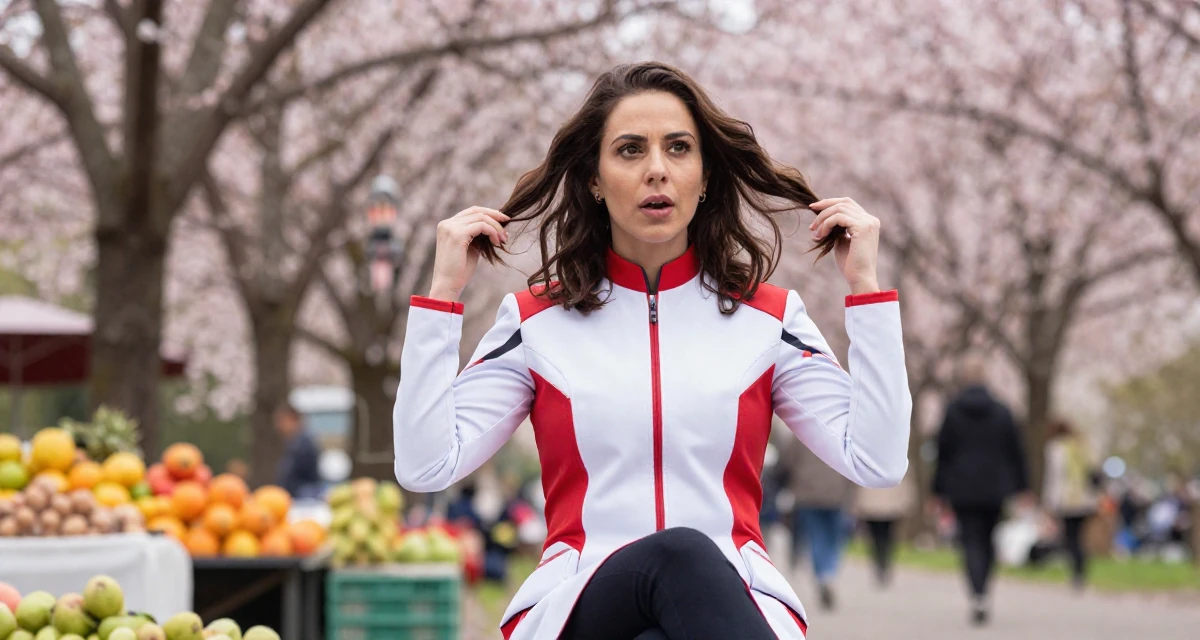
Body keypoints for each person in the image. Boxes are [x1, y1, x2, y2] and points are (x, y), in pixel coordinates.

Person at [394, 62, 912, 640]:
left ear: (706, 174)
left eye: (679, 148)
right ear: (594, 178)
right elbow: (425, 465)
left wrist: (867, 291)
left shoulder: (770, 319)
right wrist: (441, 298)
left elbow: (877, 460)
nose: (657, 170)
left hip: (734, 603)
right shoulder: (535, 322)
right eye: (631, 150)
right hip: (577, 606)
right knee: (679, 556)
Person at [932, 357, 1030, 626]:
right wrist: (1023, 486)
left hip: (961, 487)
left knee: (970, 541)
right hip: (995, 487)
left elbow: (943, 453)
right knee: (988, 540)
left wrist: (938, 490)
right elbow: (1016, 452)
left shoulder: (952, 411)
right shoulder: (1002, 411)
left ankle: (977, 592)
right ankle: (984, 590)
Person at [783, 436, 855, 611]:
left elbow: (787, 462)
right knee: (835, 538)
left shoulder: (800, 432)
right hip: (837, 492)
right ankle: (829, 572)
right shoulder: (842, 433)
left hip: (807, 492)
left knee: (816, 537)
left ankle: (822, 575)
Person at [1041, 418, 1098, 590]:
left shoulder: (1056, 448)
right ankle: (1081, 571)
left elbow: (1055, 477)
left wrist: (1049, 502)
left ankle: (1076, 574)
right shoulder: (1081, 447)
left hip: (1067, 499)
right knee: (1080, 536)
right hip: (1085, 499)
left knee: (1070, 537)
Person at [854, 468, 917, 588]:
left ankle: (880, 564)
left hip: (871, 502)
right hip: (890, 503)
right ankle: (884, 564)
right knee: (887, 537)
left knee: (877, 537)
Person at [273, 401, 322, 499]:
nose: (278, 426)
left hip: (303, 496)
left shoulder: (303, 443)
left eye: (281, 421)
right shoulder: (295, 441)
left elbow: (291, 475)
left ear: (292, 419)